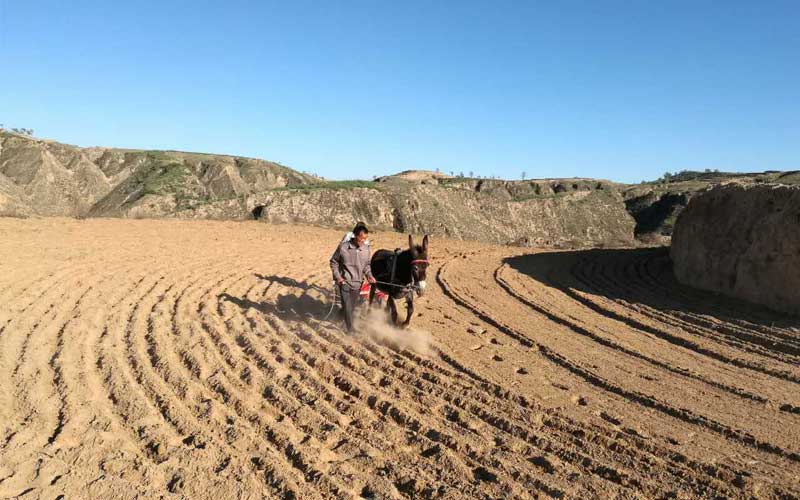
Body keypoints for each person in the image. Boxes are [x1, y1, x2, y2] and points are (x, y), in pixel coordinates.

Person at [330, 222, 376, 333]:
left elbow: (366, 266)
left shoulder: (366, 250)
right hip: (344, 282)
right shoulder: (343, 247)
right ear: (354, 235)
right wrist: (338, 277)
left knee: (350, 307)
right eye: (361, 238)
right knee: (347, 306)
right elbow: (333, 262)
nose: (363, 241)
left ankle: (338, 318)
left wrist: (369, 276)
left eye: (365, 239)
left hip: (357, 284)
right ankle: (351, 331)